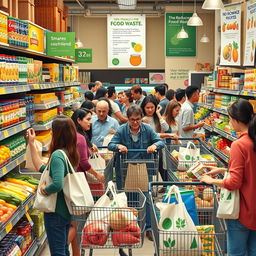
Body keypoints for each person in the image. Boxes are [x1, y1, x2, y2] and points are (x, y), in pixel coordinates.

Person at [200, 99, 256, 256]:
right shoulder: (253, 140)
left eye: (230, 118)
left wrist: (212, 181)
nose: (230, 122)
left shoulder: (240, 145)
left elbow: (234, 182)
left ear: (237, 119)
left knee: (236, 253)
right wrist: (224, 169)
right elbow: (250, 170)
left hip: (241, 210)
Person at [108, 104, 165, 241]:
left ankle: (149, 228)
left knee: (146, 198)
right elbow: (111, 145)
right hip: (125, 170)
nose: (135, 122)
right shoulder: (121, 130)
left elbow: (160, 142)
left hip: (144, 168)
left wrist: (154, 145)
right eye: (132, 120)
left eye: (138, 119)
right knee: (127, 199)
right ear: (127, 119)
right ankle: (129, 227)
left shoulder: (147, 129)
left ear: (141, 118)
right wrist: (119, 146)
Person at [26, 116, 80, 256]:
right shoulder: (69, 152)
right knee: (62, 249)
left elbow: (57, 184)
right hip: (65, 210)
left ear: (58, 133)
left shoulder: (57, 155)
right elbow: (42, 168)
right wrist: (32, 143)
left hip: (55, 210)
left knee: (57, 252)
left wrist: (45, 189)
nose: (50, 132)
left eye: (52, 129)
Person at [69, 109, 104, 256]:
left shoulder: (72, 136)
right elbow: (83, 162)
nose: (90, 122)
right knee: (78, 221)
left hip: (69, 181)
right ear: (78, 120)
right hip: (79, 182)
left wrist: (90, 148)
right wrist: (97, 175)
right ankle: (75, 250)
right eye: (88, 119)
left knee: (73, 220)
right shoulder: (80, 138)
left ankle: (76, 252)